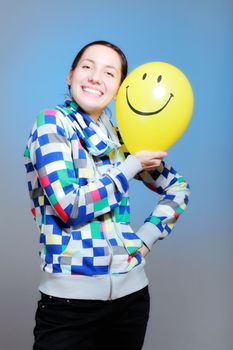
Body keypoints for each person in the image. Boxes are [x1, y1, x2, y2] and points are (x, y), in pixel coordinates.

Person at [24, 40, 190, 350]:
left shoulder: (123, 137)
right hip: (69, 307)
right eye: (87, 66)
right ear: (70, 75)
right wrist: (130, 167)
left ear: (119, 89)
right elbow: (69, 206)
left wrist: (144, 240)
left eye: (109, 73)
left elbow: (177, 189)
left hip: (132, 301)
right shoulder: (50, 124)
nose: (95, 77)